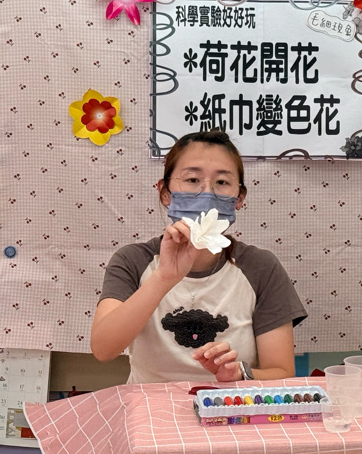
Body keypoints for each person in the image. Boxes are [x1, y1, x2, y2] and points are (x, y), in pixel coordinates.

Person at [90, 129, 307, 384]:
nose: (207, 193)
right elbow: (103, 349)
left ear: (239, 198)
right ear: (165, 193)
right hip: (149, 404)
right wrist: (164, 277)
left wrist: (239, 373)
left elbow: (280, 372)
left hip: (231, 403)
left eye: (222, 182)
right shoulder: (132, 260)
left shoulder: (261, 267)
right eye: (192, 179)